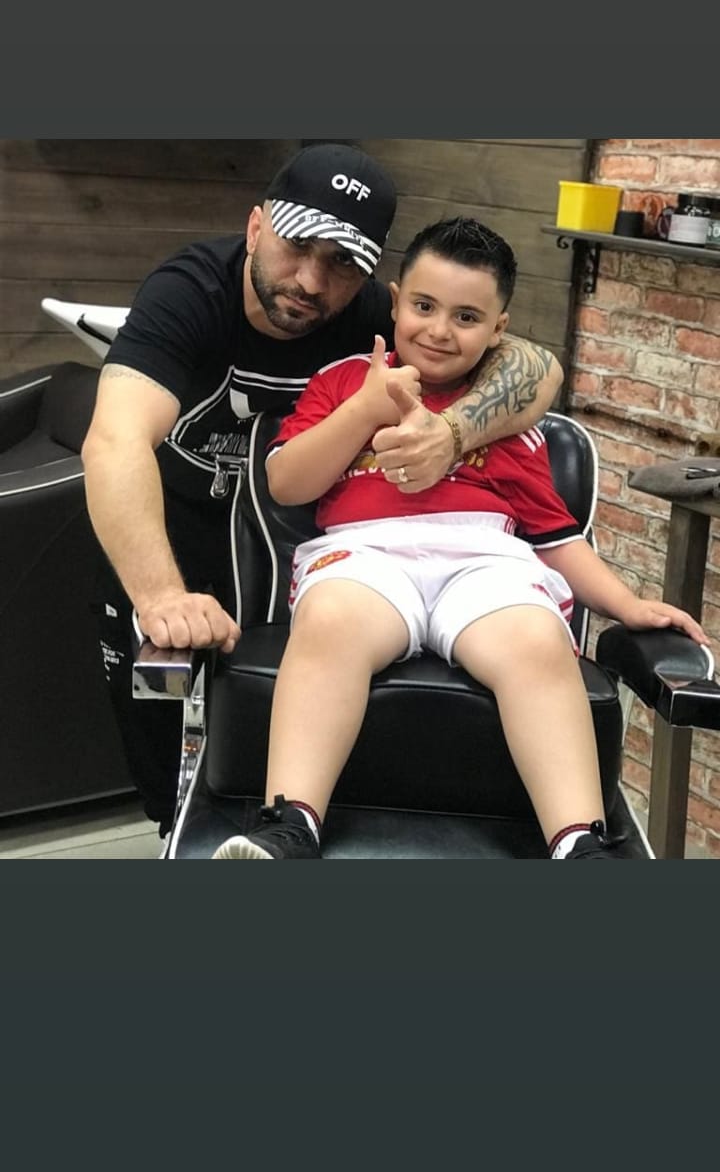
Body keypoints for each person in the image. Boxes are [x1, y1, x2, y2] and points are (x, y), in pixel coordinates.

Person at [81, 146, 564, 840]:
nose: (311, 280)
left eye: (342, 262)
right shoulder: (190, 292)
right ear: (256, 227)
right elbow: (115, 441)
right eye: (296, 246)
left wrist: (453, 433)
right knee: (162, 747)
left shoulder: (373, 313)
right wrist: (159, 595)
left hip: (298, 542)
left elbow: (537, 366)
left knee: (283, 735)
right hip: (170, 521)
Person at [211, 216, 709, 863]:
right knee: (330, 623)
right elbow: (285, 483)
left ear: (499, 329)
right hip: (364, 555)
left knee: (536, 642)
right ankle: (291, 825)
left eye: (467, 317)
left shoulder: (502, 413)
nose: (440, 330)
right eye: (424, 306)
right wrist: (365, 410)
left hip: (483, 561)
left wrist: (628, 605)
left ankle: (580, 845)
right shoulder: (342, 382)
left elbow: (555, 535)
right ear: (395, 303)